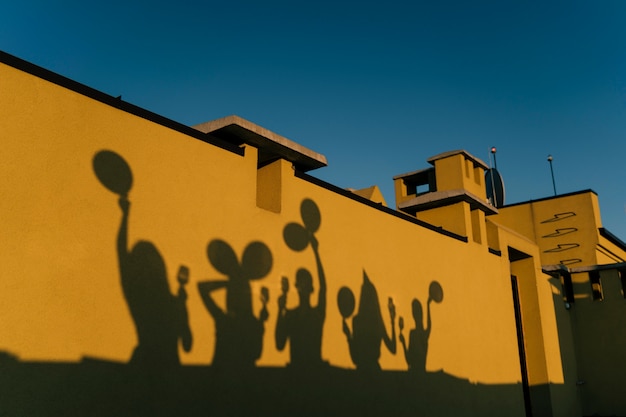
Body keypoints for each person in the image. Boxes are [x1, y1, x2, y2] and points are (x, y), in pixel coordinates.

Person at [117, 197, 192, 367]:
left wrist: (125, 216)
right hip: (169, 368)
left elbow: (122, 255)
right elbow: (187, 345)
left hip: (144, 365)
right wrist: (182, 308)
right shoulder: (171, 302)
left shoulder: (137, 296)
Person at [275, 236, 326, 368]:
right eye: (300, 282)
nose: (302, 286)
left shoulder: (317, 314)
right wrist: (280, 310)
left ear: (311, 288)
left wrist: (316, 252)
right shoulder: (291, 316)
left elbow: (324, 288)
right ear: (297, 287)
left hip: (314, 374)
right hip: (296, 375)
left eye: (305, 282)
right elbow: (279, 345)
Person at [399, 297, 432, 374]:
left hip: (414, 374)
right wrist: (403, 342)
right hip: (419, 373)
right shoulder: (419, 334)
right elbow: (409, 360)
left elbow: (409, 361)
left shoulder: (419, 334)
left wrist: (428, 305)